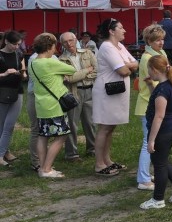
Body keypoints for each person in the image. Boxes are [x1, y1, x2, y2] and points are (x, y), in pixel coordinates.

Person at [140, 55, 172, 209]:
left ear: (155, 70)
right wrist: (150, 85)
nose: (148, 72)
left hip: (164, 130)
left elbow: (159, 115)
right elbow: (158, 96)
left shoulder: (163, 90)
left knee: (159, 165)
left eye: (149, 69)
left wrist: (151, 139)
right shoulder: (169, 85)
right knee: (161, 160)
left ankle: (157, 199)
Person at [93, 18, 138, 176]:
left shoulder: (119, 46)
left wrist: (127, 64)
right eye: (121, 28)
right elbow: (123, 70)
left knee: (111, 127)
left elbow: (135, 63)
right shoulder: (106, 46)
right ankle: (99, 164)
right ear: (111, 31)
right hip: (107, 91)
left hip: (116, 90)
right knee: (104, 127)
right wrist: (127, 65)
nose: (124, 30)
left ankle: (107, 160)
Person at [29, 33, 76, 178]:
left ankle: (42, 167)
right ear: (50, 47)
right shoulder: (50, 62)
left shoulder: (33, 62)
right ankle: (47, 169)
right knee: (61, 136)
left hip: (41, 105)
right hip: (54, 105)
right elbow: (72, 70)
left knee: (43, 136)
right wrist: (59, 75)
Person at [134, 25, 168, 191]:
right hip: (149, 104)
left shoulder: (160, 53)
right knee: (148, 143)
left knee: (154, 141)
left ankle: (147, 173)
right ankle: (143, 178)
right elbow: (154, 85)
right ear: (149, 41)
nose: (161, 43)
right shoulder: (148, 58)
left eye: (162, 39)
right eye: (157, 40)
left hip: (156, 103)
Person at [58, 32, 97, 161]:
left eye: (71, 40)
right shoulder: (61, 59)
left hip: (90, 90)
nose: (69, 44)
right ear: (62, 44)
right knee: (72, 124)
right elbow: (68, 79)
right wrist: (86, 71)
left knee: (90, 123)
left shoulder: (87, 53)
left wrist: (78, 76)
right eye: (65, 42)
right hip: (73, 93)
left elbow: (97, 71)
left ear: (76, 40)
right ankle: (71, 154)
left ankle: (92, 149)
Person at [0, 30, 26, 168]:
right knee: (2, 124)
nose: (16, 47)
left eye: (18, 44)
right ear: (6, 42)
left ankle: (3, 152)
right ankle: (3, 153)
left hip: (17, 91)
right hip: (2, 92)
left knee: (9, 126)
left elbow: (23, 70)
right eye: (14, 44)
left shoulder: (19, 54)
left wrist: (23, 74)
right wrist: (4, 74)